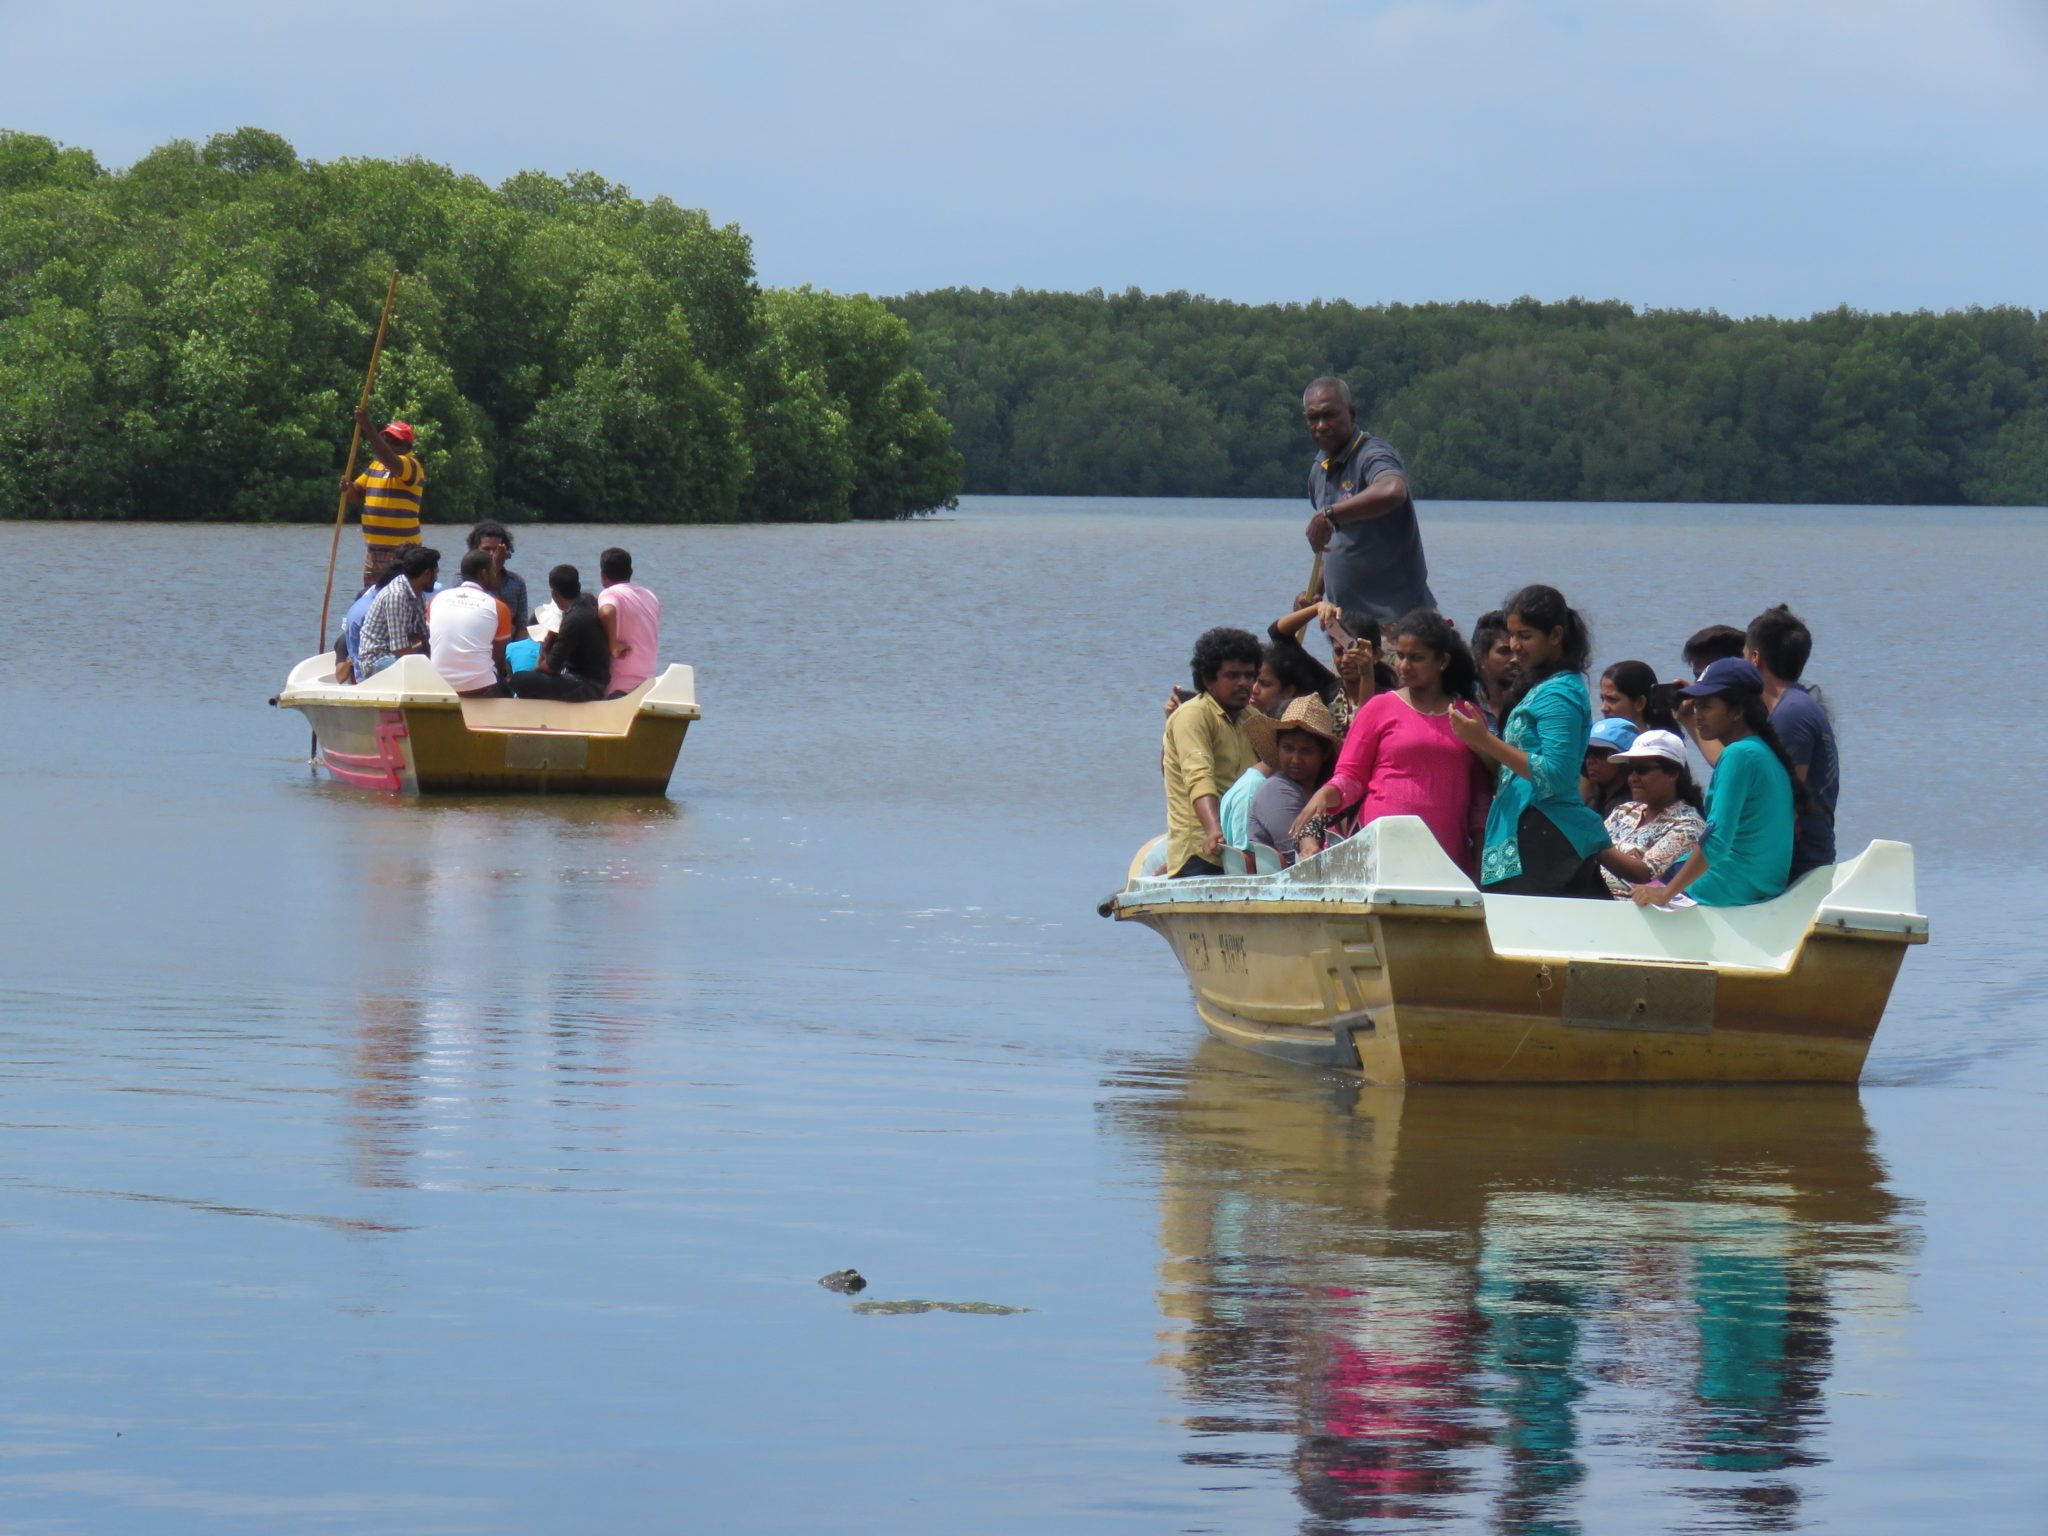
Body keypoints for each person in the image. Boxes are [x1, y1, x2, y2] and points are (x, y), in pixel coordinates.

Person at [1290, 609, 1494, 875]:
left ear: (1442, 661)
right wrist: (1324, 794)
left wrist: (1479, 860)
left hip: (1446, 852)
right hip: (1383, 846)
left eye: (1416, 658)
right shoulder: (1380, 707)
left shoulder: (1467, 716)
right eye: (1400, 656)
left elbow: (1480, 796)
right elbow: (1350, 776)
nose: (1404, 666)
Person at [1448, 585, 1612, 897]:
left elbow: (1557, 774)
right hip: (1526, 828)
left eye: (1525, 636)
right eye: (1511, 635)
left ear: (1555, 636)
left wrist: (1484, 739)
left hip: (1544, 833)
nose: (1515, 646)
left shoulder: (1559, 693)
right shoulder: (1545, 686)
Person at [1633, 659, 1805, 908]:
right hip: (1761, 886)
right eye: (1696, 706)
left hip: (1727, 889)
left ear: (1736, 711)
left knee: (1626, 882)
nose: (1698, 715)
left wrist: (1666, 894)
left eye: (1706, 707)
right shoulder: (1761, 751)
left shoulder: (1738, 756)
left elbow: (1717, 842)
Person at [1299, 377, 1435, 628]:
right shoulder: (1319, 470)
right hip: (1348, 629)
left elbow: (1393, 490)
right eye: (1312, 418)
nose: (1321, 425)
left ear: (1351, 414)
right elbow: (1332, 546)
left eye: (1329, 415)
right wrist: (1314, 593)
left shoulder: (1372, 454)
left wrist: (1329, 513)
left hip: (1399, 627)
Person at [1746, 604, 1840, 879]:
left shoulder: (1791, 713)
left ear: (1754, 658)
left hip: (1799, 862)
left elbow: (1784, 801)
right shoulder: (1796, 704)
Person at [1161, 628, 1262, 878]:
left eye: (1249, 675)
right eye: (1232, 675)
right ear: (1208, 680)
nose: (1244, 683)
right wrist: (1213, 830)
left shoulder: (1254, 719)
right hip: (1201, 853)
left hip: (1242, 851)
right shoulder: (1193, 715)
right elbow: (1199, 777)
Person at [1595, 729, 1707, 898]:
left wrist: (1592, 845)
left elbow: (1645, 873)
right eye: (1630, 770)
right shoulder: (1624, 810)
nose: (1632, 778)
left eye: (1642, 770)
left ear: (1672, 773)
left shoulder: (1688, 825)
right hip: (1592, 898)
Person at [1244, 696, 1339, 863]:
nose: (1295, 759)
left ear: (1324, 754)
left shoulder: (1323, 791)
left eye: (1306, 751)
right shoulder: (1276, 790)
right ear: (1278, 747)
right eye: (1288, 748)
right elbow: (1298, 857)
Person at [339, 407, 425, 588]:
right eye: (387, 440)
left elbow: (390, 459)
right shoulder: (376, 466)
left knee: (399, 601)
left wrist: (367, 426)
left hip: (402, 553)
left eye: (395, 442)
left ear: (407, 447)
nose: (389, 444)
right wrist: (347, 489)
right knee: (372, 602)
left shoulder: (411, 465)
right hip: (374, 552)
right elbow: (356, 494)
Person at [510, 565, 613, 702]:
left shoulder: (573, 619)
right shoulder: (589, 602)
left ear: (554, 594)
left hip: (586, 686)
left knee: (519, 680)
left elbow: (550, 667)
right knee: (532, 677)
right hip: (597, 679)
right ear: (578, 586)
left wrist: (546, 648)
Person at [428, 550, 513, 698]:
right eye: (493, 570)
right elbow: (498, 657)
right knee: (506, 688)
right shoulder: (497, 607)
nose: (495, 575)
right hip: (480, 687)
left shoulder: (436, 599)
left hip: (437, 683)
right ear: (484, 573)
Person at [355, 546, 439, 680]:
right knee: (429, 673)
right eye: (435, 573)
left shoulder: (418, 594)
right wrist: (430, 667)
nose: (436, 578)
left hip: (396, 656)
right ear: (427, 573)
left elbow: (425, 637)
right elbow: (400, 649)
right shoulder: (397, 595)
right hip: (377, 660)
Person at [596, 547, 662, 697]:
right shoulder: (650, 596)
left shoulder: (610, 593)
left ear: (602, 575)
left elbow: (607, 612)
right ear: (631, 572)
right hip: (648, 684)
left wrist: (612, 645)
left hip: (621, 687)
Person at [468, 521, 530, 630]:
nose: (492, 554)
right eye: (486, 549)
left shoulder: (516, 582)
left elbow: (522, 626)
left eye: (496, 549)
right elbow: (475, 608)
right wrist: (493, 570)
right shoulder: (464, 577)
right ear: (475, 550)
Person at [1581, 717, 1640, 818]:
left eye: (1600, 753)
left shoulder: (1630, 810)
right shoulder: (1595, 800)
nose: (1589, 761)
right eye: (1587, 752)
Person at [1599, 659, 1678, 731]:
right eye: (1602, 699)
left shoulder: (1655, 745)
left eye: (1612, 699)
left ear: (1639, 703)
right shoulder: (1596, 741)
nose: (1603, 708)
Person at [1471, 610, 1517, 732]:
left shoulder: (1532, 701)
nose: (1515, 659)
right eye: (1505, 651)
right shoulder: (1463, 703)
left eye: (1517, 651)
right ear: (1480, 656)